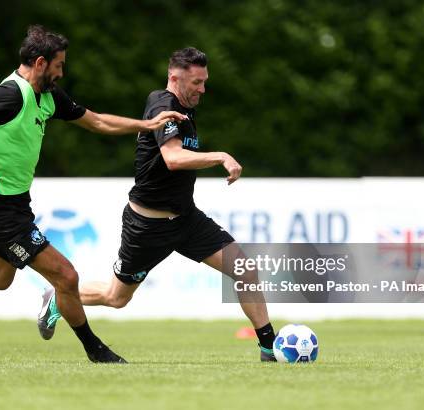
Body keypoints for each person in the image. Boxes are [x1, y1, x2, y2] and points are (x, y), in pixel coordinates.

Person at [0, 25, 186, 364]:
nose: (61, 72)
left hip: (15, 205)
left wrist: (146, 125)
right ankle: (95, 350)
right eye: (59, 65)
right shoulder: (8, 95)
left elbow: (98, 122)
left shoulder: (49, 96)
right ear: (41, 63)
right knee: (66, 276)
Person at [37, 47, 277, 362]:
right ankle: (57, 298)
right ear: (174, 78)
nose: (203, 89)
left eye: (205, 82)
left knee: (245, 269)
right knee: (115, 297)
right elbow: (174, 158)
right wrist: (221, 156)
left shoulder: (187, 107)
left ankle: (270, 349)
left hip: (187, 221)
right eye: (196, 82)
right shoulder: (162, 105)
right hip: (147, 226)